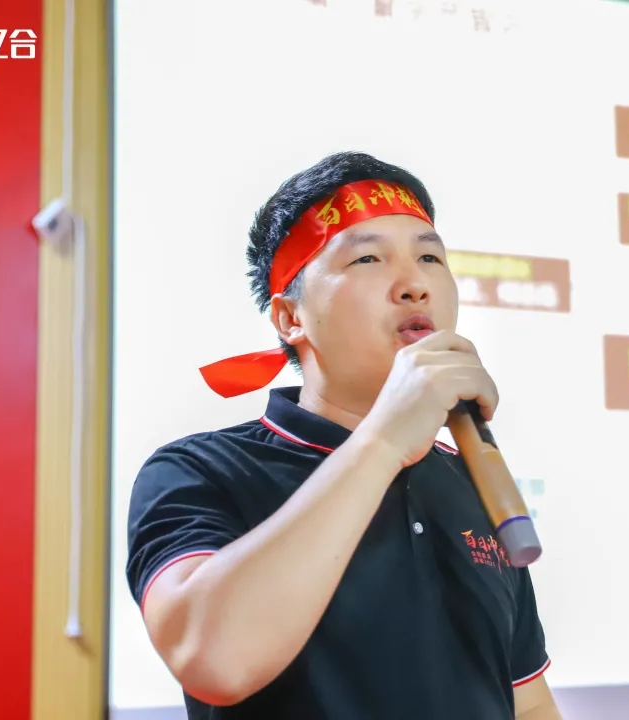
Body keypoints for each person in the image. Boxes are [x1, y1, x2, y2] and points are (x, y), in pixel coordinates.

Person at [126, 152, 561, 719]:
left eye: (430, 257)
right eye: (368, 258)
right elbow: (214, 660)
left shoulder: (471, 477)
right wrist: (383, 442)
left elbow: (528, 705)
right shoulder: (202, 470)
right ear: (290, 318)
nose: (415, 285)